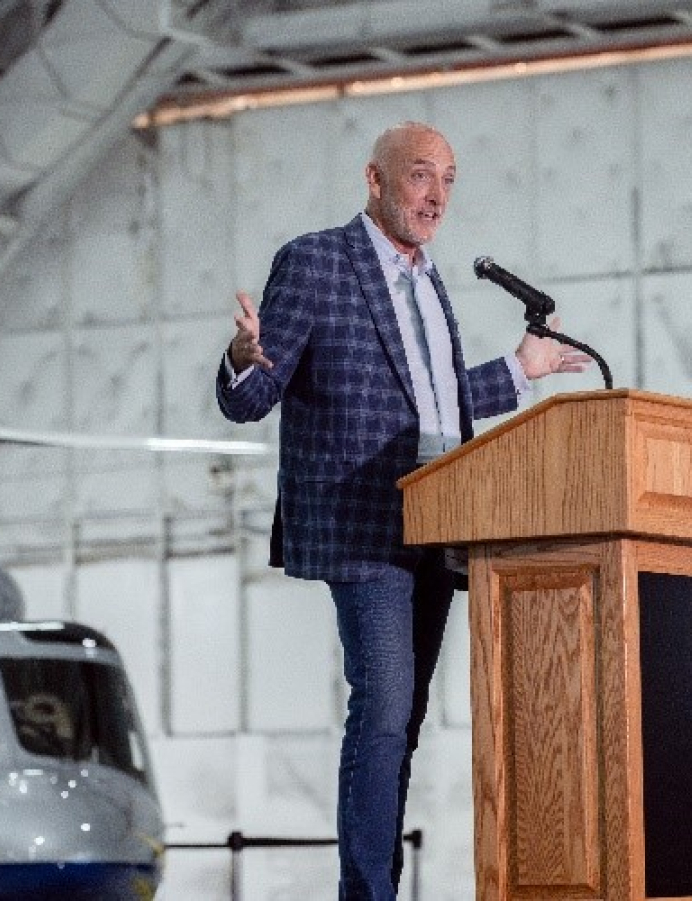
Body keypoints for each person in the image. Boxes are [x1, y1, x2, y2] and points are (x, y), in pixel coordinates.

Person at [216, 121, 589, 900]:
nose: (438, 196)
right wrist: (239, 358)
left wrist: (523, 370)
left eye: (450, 180)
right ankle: (367, 893)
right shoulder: (317, 261)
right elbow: (252, 398)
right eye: (422, 177)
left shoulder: (429, 280)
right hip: (361, 524)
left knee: (405, 718)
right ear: (376, 180)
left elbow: (436, 407)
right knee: (384, 705)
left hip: (437, 525)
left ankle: (376, 880)